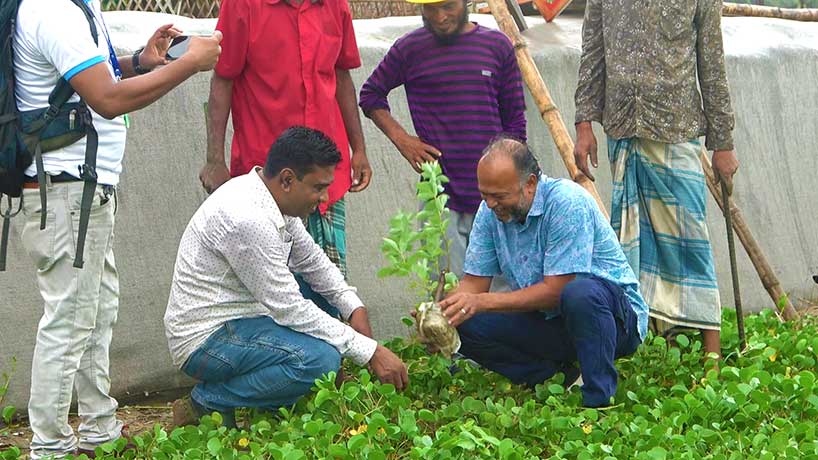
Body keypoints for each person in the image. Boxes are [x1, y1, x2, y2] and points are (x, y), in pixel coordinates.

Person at [13, 0, 222, 456]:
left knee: (96, 311)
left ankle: (98, 430)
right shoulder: (53, 10)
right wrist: (188, 66)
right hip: (66, 192)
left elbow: (93, 78)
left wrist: (141, 63)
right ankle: (49, 447)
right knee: (69, 321)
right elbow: (108, 100)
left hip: (83, 190)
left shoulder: (79, 5)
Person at [166, 127, 408, 428]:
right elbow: (290, 308)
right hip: (206, 340)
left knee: (319, 294)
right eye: (319, 188)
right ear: (287, 179)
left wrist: (353, 306)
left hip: (244, 320)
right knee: (319, 362)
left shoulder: (270, 198)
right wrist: (368, 350)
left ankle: (267, 399)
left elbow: (312, 261)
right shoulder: (248, 219)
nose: (324, 198)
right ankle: (207, 402)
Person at [573, 0, 740, 355]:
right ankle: (645, 339)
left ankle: (712, 351)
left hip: (675, 128)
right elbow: (592, 51)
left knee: (691, 242)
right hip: (622, 127)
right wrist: (583, 123)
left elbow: (712, 63)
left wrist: (722, 143)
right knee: (632, 242)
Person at [438, 136, 649, 408]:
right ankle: (554, 378)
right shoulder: (489, 212)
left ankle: (598, 399)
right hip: (552, 321)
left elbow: (556, 291)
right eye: (484, 195)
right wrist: (442, 313)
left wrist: (479, 302)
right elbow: (473, 285)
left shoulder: (566, 202)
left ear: (530, 185)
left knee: (579, 292)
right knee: (464, 322)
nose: (490, 204)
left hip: (612, 322)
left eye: (499, 196)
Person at [199, 0, 371, 302]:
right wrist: (215, 159)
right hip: (269, 180)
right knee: (270, 296)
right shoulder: (242, 6)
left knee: (331, 288)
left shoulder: (335, 5)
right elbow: (223, 79)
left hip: (326, 180)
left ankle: (332, 346)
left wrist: (359, 148)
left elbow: (342, 76)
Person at [358, 0, 526, 280]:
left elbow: (516, 123)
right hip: (441, 198)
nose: (440, 16)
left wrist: (514, 185)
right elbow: (371, 95)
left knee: (505, 293)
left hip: (497, 199)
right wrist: (403, 141)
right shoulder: (410, 49)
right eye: (430, 9)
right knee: (449, 295)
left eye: (447, 6)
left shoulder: (496, 46)